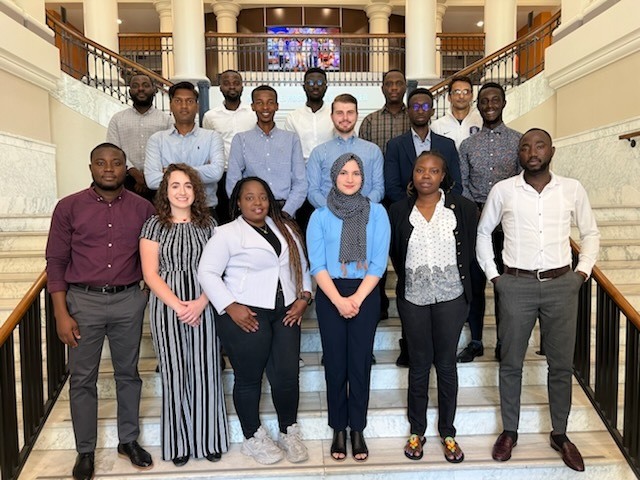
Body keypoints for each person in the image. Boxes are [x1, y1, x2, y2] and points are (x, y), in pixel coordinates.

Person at [477, 128, 599, 472]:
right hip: (516, 285)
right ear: (519, 154)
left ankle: (560, 434)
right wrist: (495, 277)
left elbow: (590, 233)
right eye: (526, 146)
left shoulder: (572, 189)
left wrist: (582, 273)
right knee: (511, 361)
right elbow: (484, 232)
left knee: (560, 364)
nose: (533, 151)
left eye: (540, 145)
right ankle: (510, 431)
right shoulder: (504, 190)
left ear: (552, 151)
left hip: (562, 284)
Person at [46, 143, 155, 480]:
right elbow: (56, 261)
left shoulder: (143, 209)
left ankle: (128, 440)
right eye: (101, 163)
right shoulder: (68, 207)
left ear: (126, 168)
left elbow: (153, 255)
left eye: (116, 163)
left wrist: (144, 294)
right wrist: (61, 313)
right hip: (83, 303)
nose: (109, 168)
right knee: (83, 379)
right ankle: (85, 450)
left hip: (127, 301)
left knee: (128, 373)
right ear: (90, 167)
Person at [198, 177, 313, 466]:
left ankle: (289, 431)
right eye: (249, 197)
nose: (257, 202)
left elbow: (302, 266)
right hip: (246, 313)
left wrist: (304, 297)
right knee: (249, 378)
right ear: (238, 202)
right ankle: (253, 437)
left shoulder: (285, 227)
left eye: (262, 196)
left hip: (286, 310)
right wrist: (230, 306)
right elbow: (207, 273)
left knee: (287, 375)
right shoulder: (225, 233)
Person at [389, 151, 478, 463]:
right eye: (419, 170)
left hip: (452, 298)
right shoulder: (398, 210)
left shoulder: (462, 209)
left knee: (445, 365)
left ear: (444, 175)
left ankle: (448, 431)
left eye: (433, 170)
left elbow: (469, 251)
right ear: (412, 175)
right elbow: (397, 255)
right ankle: (417, 430)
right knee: (418, 365)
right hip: (413, 298)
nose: (425, 176)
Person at [139, 163, 229, 467]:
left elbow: (220, 270)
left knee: (206, 370)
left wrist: (202, 301)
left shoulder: (210, 225)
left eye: (188, 185)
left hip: (205, 303)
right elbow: (150, 274)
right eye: (175, 185)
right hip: (167, 307)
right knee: (175, 372)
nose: (182, 191)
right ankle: (179, 442)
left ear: (196, 191)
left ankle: (209, 439)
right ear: (166, 190)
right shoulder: (153, 225)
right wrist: (179, 305)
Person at [307, 153, 391, 462]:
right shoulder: (319, 215)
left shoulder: (378, 213)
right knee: (335, 365)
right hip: (331, 295)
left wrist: (356, 299)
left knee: (359, 364)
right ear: (334, 176)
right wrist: (340, 300)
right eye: (344, 172)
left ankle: (357, 429)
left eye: (356, 172)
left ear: (363, 177)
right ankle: (337, 429)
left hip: (365, 293)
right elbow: (317, 265)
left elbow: (379, 262)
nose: (350, 178)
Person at [457, 82, 522, 363]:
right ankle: (476, 340)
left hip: (510, 225)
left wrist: (501, 210)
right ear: (478, 105)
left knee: (505, 286)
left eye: (495, 100)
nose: (490, 104)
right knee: (474, 282)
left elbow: (523, 182)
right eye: (484, 101)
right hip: (477, 223)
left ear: (504, 103)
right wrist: (480, 211)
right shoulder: (468, 144)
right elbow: (462, 183)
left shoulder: (519, 141)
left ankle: (504, 342)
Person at [145, 81, 225, 219]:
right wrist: (201, 170)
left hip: (205, 212)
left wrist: (170, 172)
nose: (184, 106)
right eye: (178, 101)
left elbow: (216, 173)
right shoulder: (157, 140)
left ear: (197, 106)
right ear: (171, 106)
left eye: (189, 101)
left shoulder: (212, 137)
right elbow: (152, 180)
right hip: (168, 214)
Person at [227, 85, 307, 219]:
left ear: (277, 106)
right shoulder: (241, 140)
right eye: (259, 103)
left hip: (285, 210)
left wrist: (286, 212)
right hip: (252, 211)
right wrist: (247, 210)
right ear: (253, 106)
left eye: (270, 103)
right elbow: (233, 182)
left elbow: (300, 182)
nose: (265, 107)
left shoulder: (291, 139)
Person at [384, 87, 463, 203]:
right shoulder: (395, 146)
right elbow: (391, 187)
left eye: (425, 107)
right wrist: (414, 206)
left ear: (432, 111)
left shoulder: (447, 145)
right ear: (408, 111)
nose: (420, 111)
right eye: (415, 107)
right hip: (405, 210)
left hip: (442, 212)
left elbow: (456, 184)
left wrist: (438, 206)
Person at [306, 93, 384, 208]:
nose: (345, 118)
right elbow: (312, 191)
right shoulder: (318, 152)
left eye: (350, 113)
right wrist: (331, 211)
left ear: (357, 115)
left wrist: (361, 209)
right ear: (332, 116)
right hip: (328, 218)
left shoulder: (373, 151)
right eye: (339, 113)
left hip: (365, 218)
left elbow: (378, 188)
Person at [106, 74, 173, 201]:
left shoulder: (166, 120)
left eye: (146, 85)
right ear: (129, 91)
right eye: (135, 86)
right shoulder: (118, 119)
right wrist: (135, 174)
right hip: (127, 180)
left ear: (154, 90)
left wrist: (150, 175)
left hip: (159, 180)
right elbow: (113, 150)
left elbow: (170, 151)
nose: (140, 89)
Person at [283, 67, 335, 232]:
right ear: (303, 86)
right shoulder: (293, 117)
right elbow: (289, 151)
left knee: (331, 227)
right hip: (303, 180)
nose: (315, 86)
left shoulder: (335, 114)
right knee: (305, 227)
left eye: (319, 82)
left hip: (331, 181)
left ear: (326, 86)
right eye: (310, 82)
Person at [202, 70, 255, 224]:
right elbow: (208, 145)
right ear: (220, 87)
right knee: (226, 217)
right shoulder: (210, 116)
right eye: (226, 83)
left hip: (248, 172)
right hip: (222, 174)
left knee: (249, 215)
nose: (232, 87)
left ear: (242, 86)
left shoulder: (252, 113)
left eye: (236, 83)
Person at [358, 69, 411, 156]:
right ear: (382, 89)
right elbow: (363, 155)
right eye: (389, 84)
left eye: (399, 83)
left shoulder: (413, 119)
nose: (394, 88)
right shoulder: (369, 121)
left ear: (405, 87)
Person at [431, 75, 482, 150]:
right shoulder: (437, 126)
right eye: (457, 92)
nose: (461, 96)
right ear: (449, 97)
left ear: (472, 96)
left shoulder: (481, 122)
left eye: (466, 92)